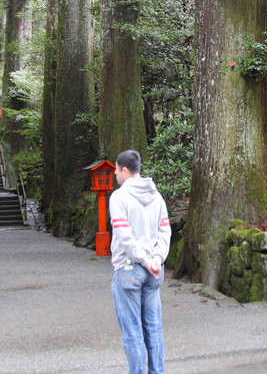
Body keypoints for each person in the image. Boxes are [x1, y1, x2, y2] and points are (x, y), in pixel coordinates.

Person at [109, 149, 170, 374]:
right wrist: (156, 258)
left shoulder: (119, 197)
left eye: (116, 169)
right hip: (154, 270)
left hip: (128, 269)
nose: (115, 174)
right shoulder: (157, 196)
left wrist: (144, 260)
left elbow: (124, 236)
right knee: (153, 329)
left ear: (124, 170)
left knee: (132, 331)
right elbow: (165, 230)